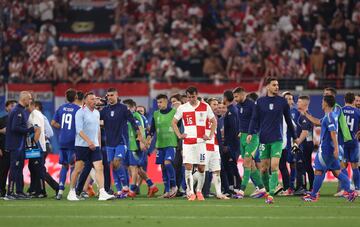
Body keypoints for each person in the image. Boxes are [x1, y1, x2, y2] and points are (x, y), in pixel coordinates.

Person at [248, 78, 297, 204]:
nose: (277, 87)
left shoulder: (282, 102)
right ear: (268, 87)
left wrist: (295, 137)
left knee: (274, 166)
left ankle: (270, 195)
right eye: (274, 85)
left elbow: (288, 120)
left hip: (277, 139)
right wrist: (250, 133)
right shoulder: (260, 102)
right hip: (263, 139)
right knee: (263, 169)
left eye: (277, 85)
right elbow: (254, 119)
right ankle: (268, 190)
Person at [302, 95, 357, 202]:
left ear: (326, 103)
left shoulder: (329, 117)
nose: (321, 103)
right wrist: (306, 114)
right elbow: (318, 122)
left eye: (322, 101)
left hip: (327, 150)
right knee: (337, 172)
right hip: (331, 150)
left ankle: (313, 196)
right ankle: (351, 192)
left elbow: (333, 133)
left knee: (318, 171)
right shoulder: (332, 115)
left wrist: (336, 149)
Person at [67, 92, 114, 201]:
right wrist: (89, 142)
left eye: (95, 99)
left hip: (95, 146)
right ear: (86, 101)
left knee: (99, 167)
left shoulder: (97, 113)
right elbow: (79, 130)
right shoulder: (80, 112)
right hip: (82, 145)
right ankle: (71, 192)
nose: (95, 101)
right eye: (92, 99)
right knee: (78, 169)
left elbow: (97, 129)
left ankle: (102, 192)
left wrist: (98, 144)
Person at [172, 86, 217, 201]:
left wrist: (210, 135)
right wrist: (179, 135)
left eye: (193, 96)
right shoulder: (183, 108)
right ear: (186, 97)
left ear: (197, 95)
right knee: (188, 167)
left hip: (201, 143)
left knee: (202, 168)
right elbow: (174, 122)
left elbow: (214, 121)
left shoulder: (205, 106)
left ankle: (199, 191)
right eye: (189, 97)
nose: (191, 99)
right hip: (188, 143)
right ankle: (191, 192)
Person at [100, 88, 139, 197]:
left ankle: (125, 186)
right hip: (109, 142)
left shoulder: (123, 108)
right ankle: (120, 190)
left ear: (117, 95)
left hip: (121, 141)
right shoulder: (104, 110)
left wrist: (138, 134)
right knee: (113, 165)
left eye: (112, 95)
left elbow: (132, 121)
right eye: (108, 95)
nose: (110, 97)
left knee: (117, 162)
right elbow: (95, 118)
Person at [5, 91, 39, 200]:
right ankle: (9, 193)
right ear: (24, 99)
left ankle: (19, 191)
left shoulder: (21, 111)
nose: (30, 101)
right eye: (29, 99)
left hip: (20, 144)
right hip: (16, 145)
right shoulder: (17, 111)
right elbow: (15, 127)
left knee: (19, 168)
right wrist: (29, 130)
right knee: (14, 168)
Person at [233, 87, 266, 198]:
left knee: (246, 163)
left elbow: (258, 120)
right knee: (250, 165)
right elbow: (242, 121)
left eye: (236, 96)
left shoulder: (252, 105)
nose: (235, 99)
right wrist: (240, 132)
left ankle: (241, 191)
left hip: (252, 137)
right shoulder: (238, 106)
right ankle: (261, 189)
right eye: (234, 97)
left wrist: (252, 132)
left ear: (243, 95)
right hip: (242, 136)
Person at [123, 99, 158, 198]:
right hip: (131, 145)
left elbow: (141, 129)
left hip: (135, 146)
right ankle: (152, 185)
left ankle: (132, 190)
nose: (126, 109)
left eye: (128, 107)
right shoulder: (131, 116)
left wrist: (142, 142)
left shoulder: (135, 116)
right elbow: (147, 128)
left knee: (134, 168)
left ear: (133, 107)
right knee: (137, 169)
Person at [51, 89, 80, 200]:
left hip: (62, 140)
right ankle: (72, 191)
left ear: (66, 97)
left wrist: (62, 128)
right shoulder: (78, 109)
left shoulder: (61, 108)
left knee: (64, 166)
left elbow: (53, 123)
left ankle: (60, 191)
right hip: (73, 141)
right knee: (73, 165)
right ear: (76, 97)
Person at [147, 94, 178, 198]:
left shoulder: (174, 112)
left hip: (171, 143)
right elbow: (152, 130)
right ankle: (167, 191)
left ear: (166, 101)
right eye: (157, 102)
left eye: (161, 102)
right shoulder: (156, 114)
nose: (159, 104)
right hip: (160, 144)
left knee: (167, 163)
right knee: (163, 167)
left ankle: (174, 186)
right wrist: (148, 140)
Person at [222, 90, 242, 198]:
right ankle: (231, 187)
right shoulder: (232, 110)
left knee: (232, 166)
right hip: (232, 144)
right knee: (228, 166)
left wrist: (228, 145)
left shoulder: (231, 111)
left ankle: (236, 187)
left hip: (232, 145)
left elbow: (234, 130)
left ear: (225, 98)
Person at [295, 96, 315, 194]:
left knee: (303, 165)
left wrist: (297, 143)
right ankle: (309, 187)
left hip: (305, 145)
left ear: (304, 104)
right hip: (306, 144)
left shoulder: (304, 116)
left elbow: (305, 132)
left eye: (299, 102)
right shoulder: (304, 115)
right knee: (305, 165)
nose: (297, 103)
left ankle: (304, 187)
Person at [27, 100, 47, 198]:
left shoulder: (35, 114)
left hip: (37, 147)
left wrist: (32, 145)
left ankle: (42, 191)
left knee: (38, 170)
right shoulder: (34, 114)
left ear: (32, 105)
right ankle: (34, 189)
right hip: (36, 146)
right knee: (32, 168)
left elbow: (37, 130)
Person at [341, 92, 360, 193]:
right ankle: (357, 189)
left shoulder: (340, 111)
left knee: (343, 166)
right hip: (354, 142)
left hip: (343, 143)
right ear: (353, 101)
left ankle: (346, 189)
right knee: (355, 166)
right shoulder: (357, 111)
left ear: (344, 100)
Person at [0, 100, 17, 198]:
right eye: (11, 106)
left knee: (16, 172)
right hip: (4, 149)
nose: (13, 107)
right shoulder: (2, 120)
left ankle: (16, 191)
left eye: (15, 106)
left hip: (16, 150)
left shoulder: (19, 120)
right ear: (6, 108)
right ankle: (2, 191)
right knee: (3, 171)